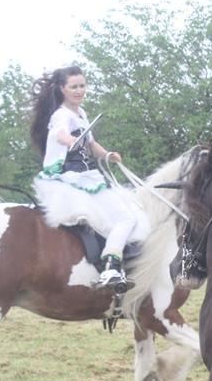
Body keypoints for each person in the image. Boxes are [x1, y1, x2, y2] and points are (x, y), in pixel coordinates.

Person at [29, 65, 148, 292]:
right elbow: (60, 133)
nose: (79, 91)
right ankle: (111, 266)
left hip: (87, 176)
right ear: (62, 89)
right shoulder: (61, 115)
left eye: (82, 86)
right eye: (74, 87)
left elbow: (91, 144)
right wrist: (69, 140)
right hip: (72, 178)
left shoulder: (81, 114)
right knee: (125, 218)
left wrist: (108, 155)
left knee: (117, 217)